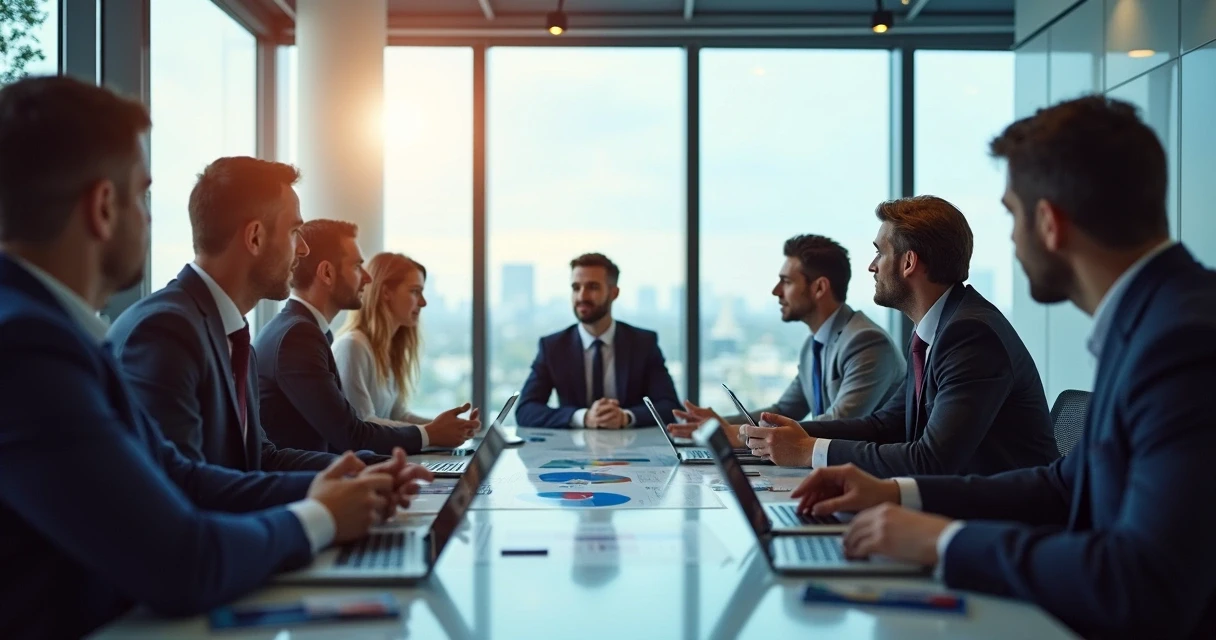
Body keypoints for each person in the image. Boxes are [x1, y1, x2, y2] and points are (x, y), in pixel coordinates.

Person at [0, 75, 430, 639]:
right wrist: (323, 516)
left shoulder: (59, 332)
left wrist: (343, 484)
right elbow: (180, 556)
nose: (151, 219)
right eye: (142, 195)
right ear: (104, 208)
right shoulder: (31, 348)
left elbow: (182, 473)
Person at [790, 96, 1216, 639]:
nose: (1012, 240)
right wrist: (898, 497)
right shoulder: (1154, 320)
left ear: (1049, 223)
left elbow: (1144, 584)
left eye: (1013, 215)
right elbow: (1065, 485)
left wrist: (941, 542)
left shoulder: (1183, 340)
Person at [741, 196, 1059, 476]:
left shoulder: (970, 335)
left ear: (908, 263)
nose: (872, 266)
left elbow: (932, 460)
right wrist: (794, 434)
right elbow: (885, 425)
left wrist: (809, 450)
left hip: (1005, 523)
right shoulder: (935, 331)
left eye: (880, 253)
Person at [108, 156, 340, 471]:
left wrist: (363, 471)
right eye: (294, 231)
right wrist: (325, 505)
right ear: (255, 237)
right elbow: (186, 489)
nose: (303, 250)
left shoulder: (232, 335)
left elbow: (259, 459)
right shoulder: (165, 331)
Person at [255, 220, 479, 454]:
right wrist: (431, 433)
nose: (367, 278)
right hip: (307, 485)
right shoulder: (298, 337)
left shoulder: (304, 331)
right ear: (327, 273)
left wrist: (440, 430)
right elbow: (351, 435)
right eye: (357, 267)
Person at [516, 253, 680, 428]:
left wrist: (625, 417)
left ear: (614, 293)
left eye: (592, 287)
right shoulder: (553, 347)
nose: (581, 296)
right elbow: (526, 410)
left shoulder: (643, 343)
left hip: (631, 448)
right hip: (570, 451)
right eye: (576, 287)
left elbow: (670, 407)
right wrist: (584, 417)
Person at [332, 252, 433, 425]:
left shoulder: (389, 349)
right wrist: (433, 434)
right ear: (386, 292)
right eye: (415, 291)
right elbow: (363, 423)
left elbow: (398, 415)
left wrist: (447, 427)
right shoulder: (353, 346)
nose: (423, 302)